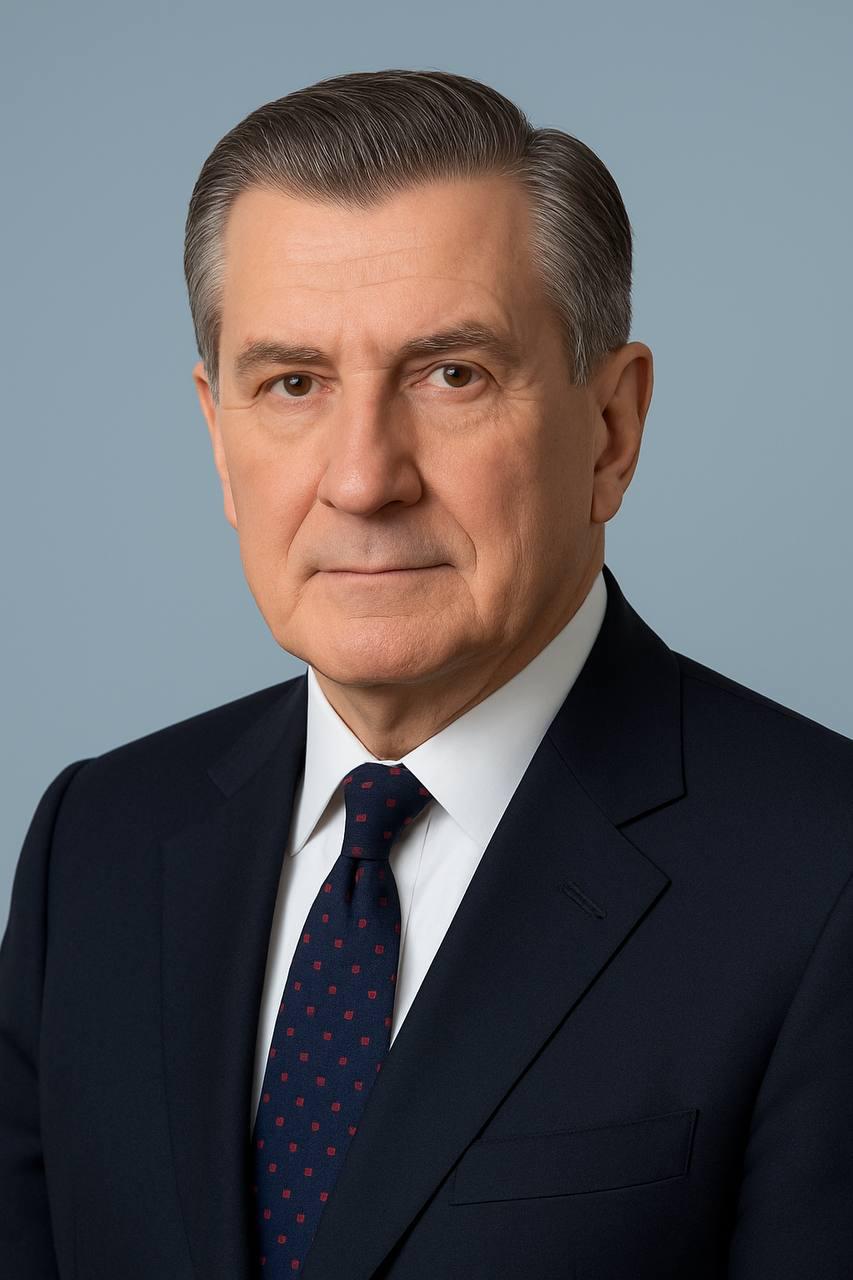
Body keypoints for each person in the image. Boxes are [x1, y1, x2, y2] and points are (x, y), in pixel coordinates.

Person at [1, 67, 851, 1280]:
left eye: (450, 375)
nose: (362, 476)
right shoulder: (95, 846)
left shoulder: (822, 879)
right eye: (292, 384)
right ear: (218, 439)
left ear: (610, 429)